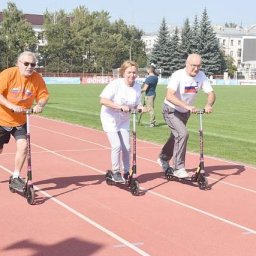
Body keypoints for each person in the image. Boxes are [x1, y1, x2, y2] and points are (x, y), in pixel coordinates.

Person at [157, 53, 216, 178]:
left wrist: (209, 104)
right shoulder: (178, 75)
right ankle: (178, 167)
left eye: (198, 66)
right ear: (187, 64)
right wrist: (186, 106)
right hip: (171, 109)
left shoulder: (201, 76)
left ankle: (163, 157)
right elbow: (169, 95)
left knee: (177, 136)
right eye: (193, 66)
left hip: (184, 113)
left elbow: (211, 93)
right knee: (182, 134)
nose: (196, 69)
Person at [0, 51, 49, 187]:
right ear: (18, 64)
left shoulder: (37, 78)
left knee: (23, 146)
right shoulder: (9, 74)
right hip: (1, 119)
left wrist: (40, 104)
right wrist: (11, 105)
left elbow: (44, 95)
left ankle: (15, 176)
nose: (29, 67)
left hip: (21, 120)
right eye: (26, 63)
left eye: (32, 64)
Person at [100, 60, 145, 183]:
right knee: (117, 145)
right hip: (110, 118)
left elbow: (137, 103)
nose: (132, 75)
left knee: (127, 147)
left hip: (124, 120)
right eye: (129, 72)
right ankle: (115, 172)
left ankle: (126, 172)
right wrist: (119, 106)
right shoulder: (116, 84)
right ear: (123, 72)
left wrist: (140, 107)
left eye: (134, 72)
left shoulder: (137, 86)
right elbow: (103, 100)